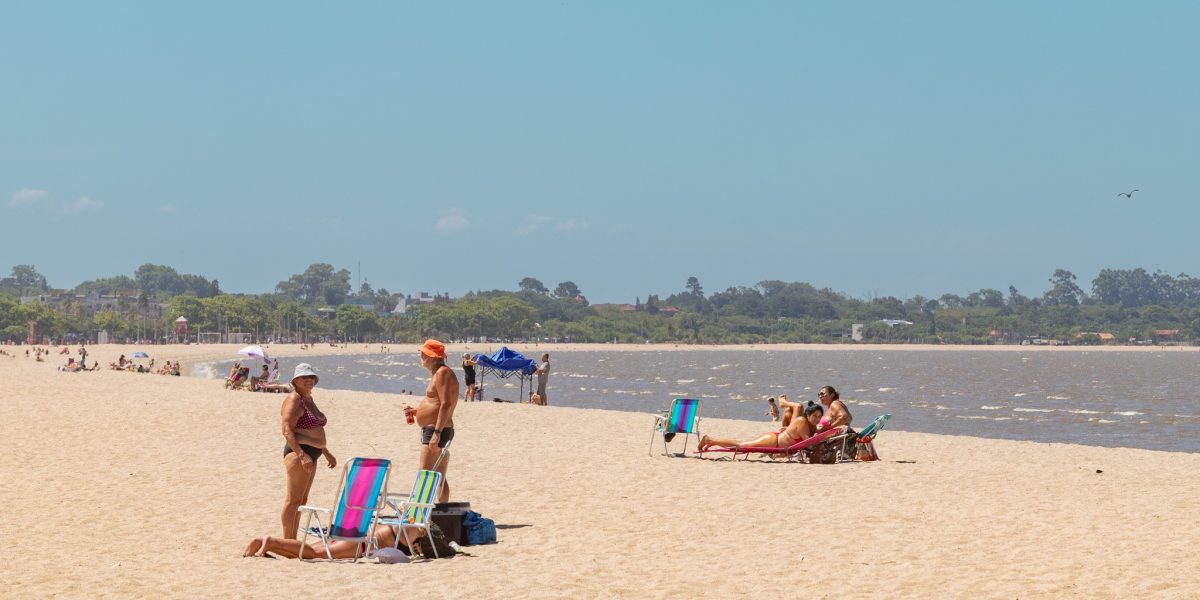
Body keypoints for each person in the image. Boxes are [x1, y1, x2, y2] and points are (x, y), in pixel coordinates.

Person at [280, 363, 337, 539]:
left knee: (302, 501)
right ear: (296, 380)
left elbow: (314, 429)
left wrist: (325, 451)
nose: (309, 380)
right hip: (300, 454)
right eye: (305, 377)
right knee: (293, 500)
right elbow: (287, 430)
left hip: (312, 454)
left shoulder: (308, 399)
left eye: (311, 377)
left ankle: (292, 540)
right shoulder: (294, 399)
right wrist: (301, 454)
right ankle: (287, 541)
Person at [414, 339, 458, 503]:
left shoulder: (442, 373)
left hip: (436, 429)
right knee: (439, 474)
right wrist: (417, 411)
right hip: (437, 428)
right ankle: (441, 512)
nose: (421, 357)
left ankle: (418, 512)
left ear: (430, 357)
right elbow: (438, 402)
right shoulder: (440, 373)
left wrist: (437, 433)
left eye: (423, 354)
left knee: (424, 473)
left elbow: (446, 404)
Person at [699, 402, 825, 452]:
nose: (817, 419)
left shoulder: (811, 425)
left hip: (776, 442)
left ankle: (712, 441)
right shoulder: (802, 421)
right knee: (741, 447)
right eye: (815, 416)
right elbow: (808, 442)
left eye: (819, 417)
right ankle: (710, 440)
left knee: (742, 444)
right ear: (808, 414)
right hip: (772, 441)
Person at [242, 523, 416, 559]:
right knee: (315, 553)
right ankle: (270, 541)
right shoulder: (413, 531)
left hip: (353, 528)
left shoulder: (402, 525)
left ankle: (265, 543)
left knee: (303, 553)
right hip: (360, 543)